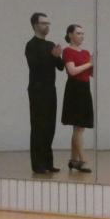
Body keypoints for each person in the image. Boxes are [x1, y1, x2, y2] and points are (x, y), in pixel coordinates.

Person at [25, 12, 64, 174]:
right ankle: (37, 164)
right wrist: (52, 56)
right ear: (35, 25)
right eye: (43, 23)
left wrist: (57, 56)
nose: (47, 26)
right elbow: (34, 66)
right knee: (38, 127)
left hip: (50, 90)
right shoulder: (31, 45)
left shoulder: (50, 45)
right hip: (37, 91)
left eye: (48, 23)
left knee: (50, 127)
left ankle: (48, 163)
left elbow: (60, 67)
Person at [60, 24, 94, 173]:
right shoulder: (67, 51)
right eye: (78, 33)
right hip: (74, 89)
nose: (82, 36)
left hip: (85, 89)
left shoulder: (86, 52)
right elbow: (72, 71)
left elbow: (90, 73)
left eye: (83, 33)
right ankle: (82, 160)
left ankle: (74, 160)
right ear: (70, 35)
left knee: (79, 128)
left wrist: (94, 64)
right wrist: (90, 63)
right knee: (78, 127)